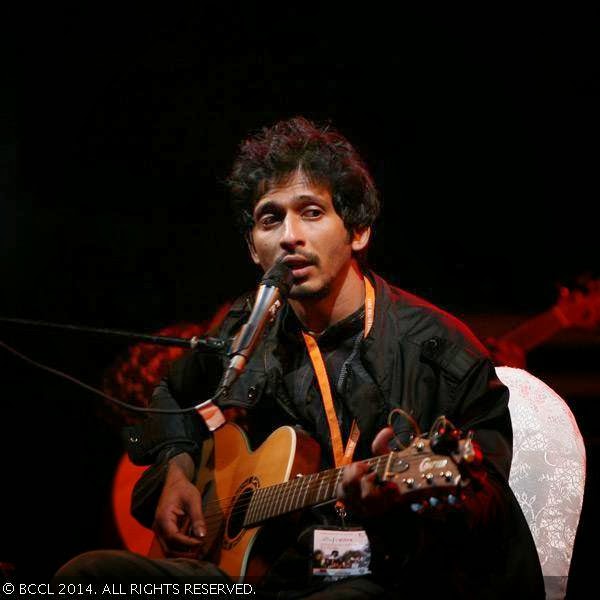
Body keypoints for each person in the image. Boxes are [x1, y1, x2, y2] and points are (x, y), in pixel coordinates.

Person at [55, 117, 544, 598]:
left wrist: (402, 505)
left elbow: (491, 506)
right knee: (88, 574)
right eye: (271, 218)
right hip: (265, 573)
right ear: (253, 248)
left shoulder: (438, 348)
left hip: (392, 573)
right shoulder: (246, 328)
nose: (290, 235)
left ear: (357, 231)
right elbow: (154, 409)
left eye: (311, 212)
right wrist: (174, 469)